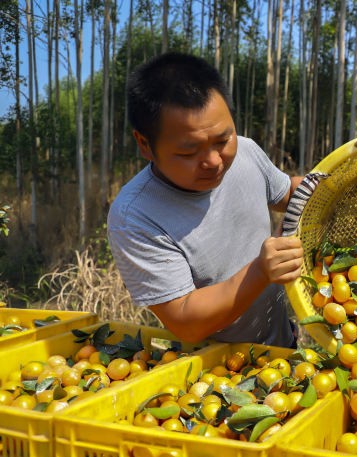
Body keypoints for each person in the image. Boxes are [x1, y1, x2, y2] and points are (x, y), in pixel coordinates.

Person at [107, 52, 304, 346]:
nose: (214, 161)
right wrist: (261, 271)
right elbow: (186, 321)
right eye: (189, 152)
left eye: (223, 140)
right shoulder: (135, 216)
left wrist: (331, 182)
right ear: (145, 144)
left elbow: (287, 195)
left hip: (283, 350)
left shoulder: (246, 152)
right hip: (215, 380)